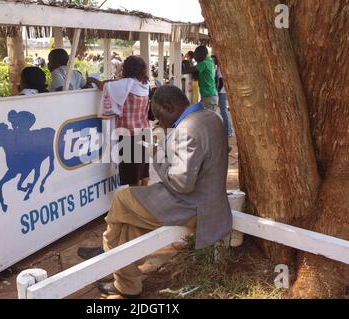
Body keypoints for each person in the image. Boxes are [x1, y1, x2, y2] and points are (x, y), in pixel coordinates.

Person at [79, 85, 232, 298]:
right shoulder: (211, 116)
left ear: (169, 107)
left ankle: (108, 251)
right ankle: (127, 283)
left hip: (192, 209)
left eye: (159, 116)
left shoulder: (187, 130)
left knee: (122, 199)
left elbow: (181, 184)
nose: (159, 122)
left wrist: (157, 152)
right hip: (208, 202)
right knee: (129, 226)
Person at [87, 55, 150, 187]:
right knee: (143, 174)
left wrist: (92, 79)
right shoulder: (144, 84)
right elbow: (115, 84)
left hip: (128, 136)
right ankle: (145, 202)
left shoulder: (126, 84)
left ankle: (135, 206)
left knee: (132, 179)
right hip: (143, 132)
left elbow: (105, 86)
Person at [192, 46, 218, 111]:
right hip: (210, 95)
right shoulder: (209, 62)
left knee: (209, 120)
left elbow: (192, 70)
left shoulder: (204, 63)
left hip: (209, 96)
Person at [212, 55, 233, 137]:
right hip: (221, 92)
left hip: (222, 92)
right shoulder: (218, 68)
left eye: (213, 60)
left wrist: (217, 91)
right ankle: (227, 130)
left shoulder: (220, 69)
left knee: (223, 111)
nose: (212, 61)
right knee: (222, 111)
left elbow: (221, 82)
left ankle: (229, 131)